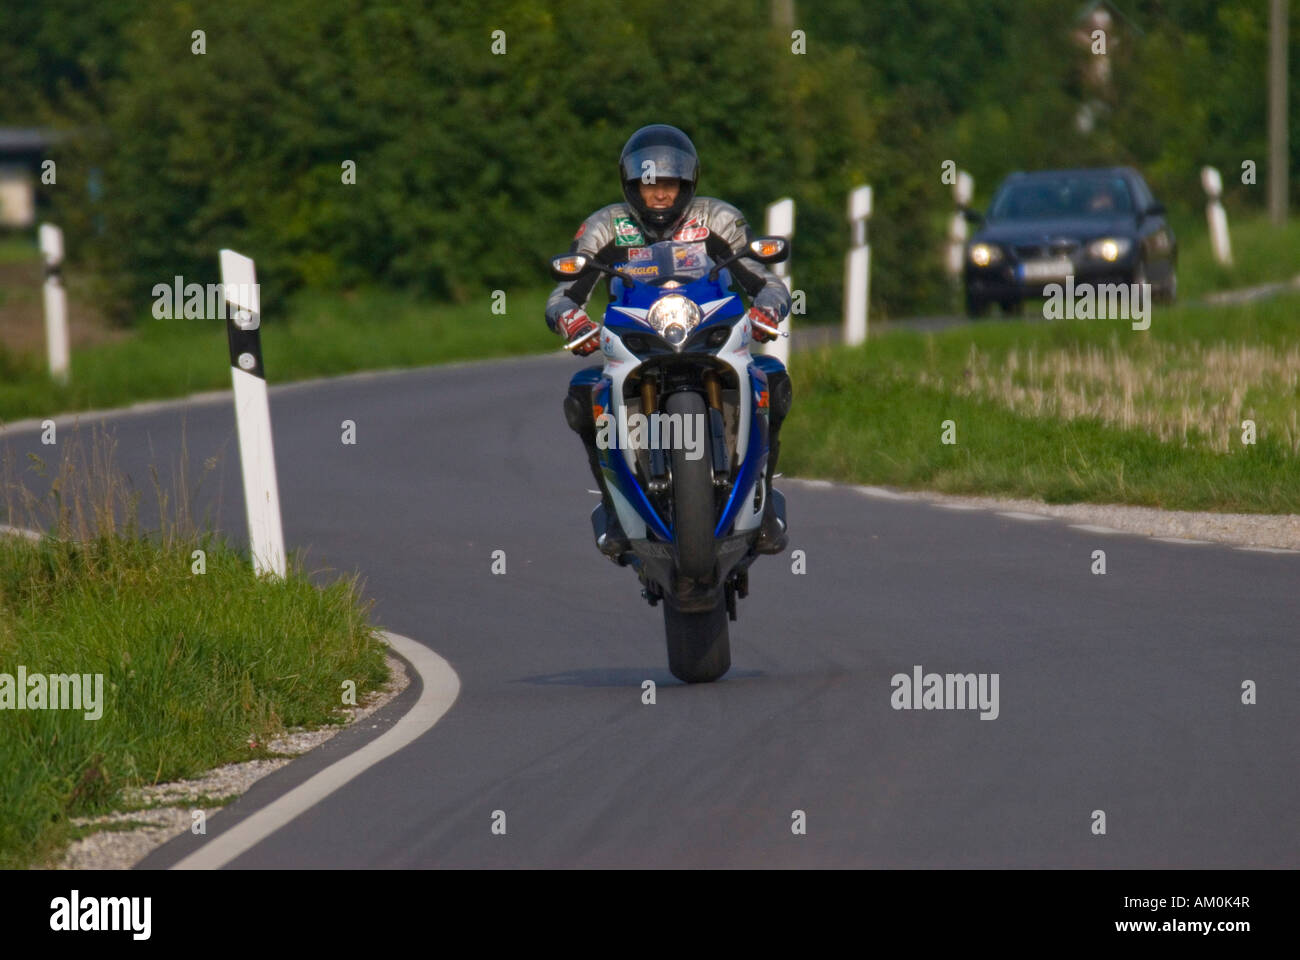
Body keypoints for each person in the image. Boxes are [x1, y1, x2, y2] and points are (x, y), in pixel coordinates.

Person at [547, 124, 792, 560]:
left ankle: (765, 503)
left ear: (688, 184)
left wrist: (768, 309)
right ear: (630, 185)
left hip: (709, 331)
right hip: (636, 336)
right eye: (649, 185)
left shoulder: (718, 218)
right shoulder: (605, 227)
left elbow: (764, 280)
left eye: (670, 185)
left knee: (771, 378)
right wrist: (571, 320)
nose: (659, 195)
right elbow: (565, 291)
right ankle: (614, 508)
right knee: (586, 392)